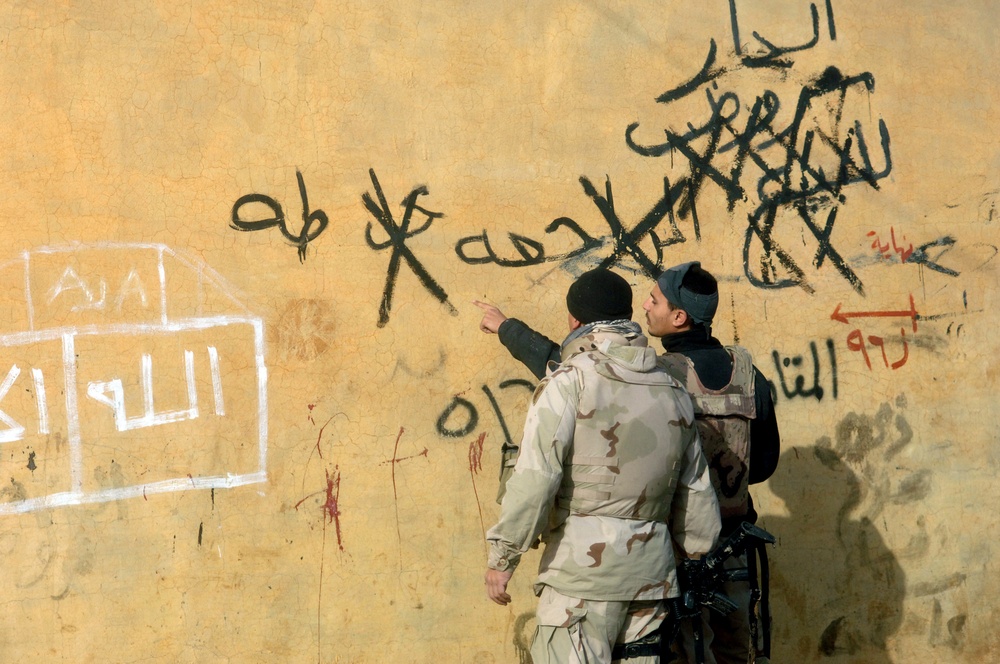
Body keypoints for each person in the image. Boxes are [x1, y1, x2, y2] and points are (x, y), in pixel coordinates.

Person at [475, 262, 780, 664]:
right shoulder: (695, 382)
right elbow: (742, 472)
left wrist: (503, 557)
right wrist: (696, 551)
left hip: (587, 576)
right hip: (682, 568)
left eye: (654, 299)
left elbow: (538, 475)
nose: (646, 305)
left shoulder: (599, 377)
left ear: (679, 317)